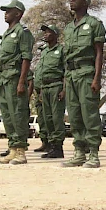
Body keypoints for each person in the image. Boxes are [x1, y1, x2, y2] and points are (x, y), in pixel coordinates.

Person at [61, 0, 106, 168]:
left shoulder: (94, 24)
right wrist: (65, 82)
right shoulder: (68, 27)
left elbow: (99, 53)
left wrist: (97, 78)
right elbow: (67, 57)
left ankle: (93, 153)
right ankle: (79, 151)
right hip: (71, 74)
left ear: (85, 2)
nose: (71, 1)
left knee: (90, 114)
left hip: (87, 73)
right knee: (74, 115)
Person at [0, 1, 34, 165]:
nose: (6, 13)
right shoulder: (6, 33)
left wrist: (21, 81)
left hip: (14, 76)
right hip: (4, 77)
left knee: (17, 114)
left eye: (9, 11)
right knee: (7, 115)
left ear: (18, 13)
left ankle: (20, 151)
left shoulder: (22, 32)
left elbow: (26, 58)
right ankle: (12, 148)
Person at [36, 24, 66, 159]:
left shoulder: (61, 50)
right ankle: (51, 145)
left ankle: (58, 147)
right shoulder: (44, 52)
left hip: (56, 86)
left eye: (48, 32)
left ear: (55, 34)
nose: (45, 34)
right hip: (45, 87)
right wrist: (41, 90)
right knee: (47, 118)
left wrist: (64, 89)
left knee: (56, 118)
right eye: (44, 32)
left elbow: (66, 71)